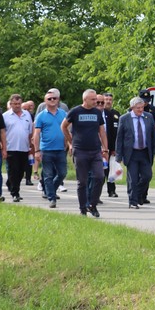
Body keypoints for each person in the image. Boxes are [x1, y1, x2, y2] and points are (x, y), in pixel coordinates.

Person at [63, 89, 110, 217]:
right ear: (85, 100)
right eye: (93, 99)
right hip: (80, 150)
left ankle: (92, 204)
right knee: (82, 181)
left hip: (95, 150)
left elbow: (102, 131)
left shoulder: (97, 113)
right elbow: (64, 126)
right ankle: (83, 208)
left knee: (99, 177)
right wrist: (71, 142)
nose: (96, 102)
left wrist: (105, 148)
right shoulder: (75, 111)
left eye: (96, 99)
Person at [116, 96, 155, 209]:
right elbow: (119, 138)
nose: (140, 110)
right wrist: (119, 155)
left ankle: (137, 194)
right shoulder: (124, 119)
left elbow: (153, 135)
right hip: (131, 153)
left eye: (142, 107)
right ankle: (133, 201)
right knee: (133, 179)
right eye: (138, 108)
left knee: (147, 176)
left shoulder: (148, 117)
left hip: (145, 152)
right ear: (132, 107)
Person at [32, 89, 68, 208]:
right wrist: (37, 150)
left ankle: (50, 189)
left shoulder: (63, 114)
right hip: (46, 149)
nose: (52, 100)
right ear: (45, 101)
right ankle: (52, 198)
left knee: (62, 173)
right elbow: (36, 134)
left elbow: (68, 129)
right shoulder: (41, 116)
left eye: (54, 98)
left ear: (58, 100)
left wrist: (69, 142)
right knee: (48, 174)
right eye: (49, 99)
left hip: (60, 149)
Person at [2, 94, 33, 202]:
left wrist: (31, 147)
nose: (17, 106)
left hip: (24, 147)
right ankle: (15, 193)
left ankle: (11, 185)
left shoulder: (27, 114)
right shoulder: (5, 116)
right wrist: (3, 148)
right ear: (10, 104)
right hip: (11, 147)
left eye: (19, 103)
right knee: (13, 170)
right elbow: (2, 133)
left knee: (21, 171)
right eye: (15, 104)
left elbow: (30, 132)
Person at [100, 92, 121, 198]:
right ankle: (96, 193)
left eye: (110, 100)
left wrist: (114, 148)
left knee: (111, 171)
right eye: (106, 99)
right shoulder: (99, 113)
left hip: (111, 148)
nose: (108, 102)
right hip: (99, 147)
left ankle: (112, 190)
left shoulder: (115, 114)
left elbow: (116, 133)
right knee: (100, 172)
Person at [21, 99, 37, 186]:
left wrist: (33, 141)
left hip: (29, 142)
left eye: (28, 109)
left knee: (29, 162)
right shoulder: (17, 116)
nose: (26, 111)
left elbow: (34, 128)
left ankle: (28, 179)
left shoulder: (32, 116)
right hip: (19, 143)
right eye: (24, 109)